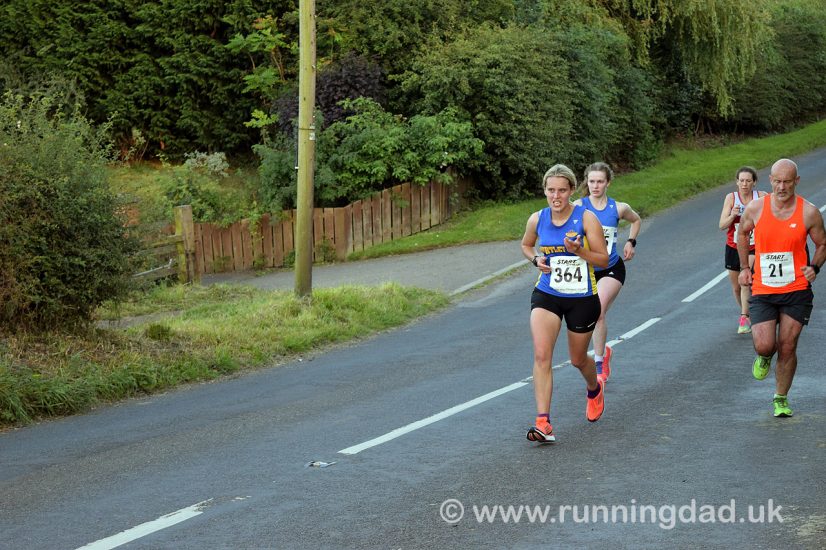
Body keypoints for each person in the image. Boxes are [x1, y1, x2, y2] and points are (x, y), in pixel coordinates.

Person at [522, 164, 610, 443]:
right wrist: (536, 259)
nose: (556, 196)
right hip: (547, 293)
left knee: (576, 359)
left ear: (572, 190)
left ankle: (594, 388)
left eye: (561, 190)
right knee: (541, 354)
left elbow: (603, 260)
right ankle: (543, 422)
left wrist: (579, 250)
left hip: (582, 298)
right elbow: (526, 245)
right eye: (550, 190)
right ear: (545, 191)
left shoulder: (586, 219)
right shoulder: (537, 218)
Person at [737, 158, 826, 417]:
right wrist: (744, 267)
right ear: (770, 181)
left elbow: (822, 244)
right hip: (764, 289)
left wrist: (815, 266)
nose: (781, 187)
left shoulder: (808, 212)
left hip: (796, 288)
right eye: (777, 181)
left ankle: (780, 398)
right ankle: (764, 356)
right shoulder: (755, 208)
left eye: (787, 181)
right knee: (765, 345)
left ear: (796, 181)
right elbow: (742, 233)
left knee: (788, 346)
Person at [574, 162, 641, 383]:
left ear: (608, 183)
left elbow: (636, 219)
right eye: (591, 181)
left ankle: (600, 364)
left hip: (611, 268)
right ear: (587, 182)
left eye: (600, 181)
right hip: (586, 271)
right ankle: (604, 352)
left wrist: (631, 241)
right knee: (590, 317)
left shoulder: (618, 208)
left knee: (598, 312)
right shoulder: (578, 207)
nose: (595, 186)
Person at [719, 166, 767, 334]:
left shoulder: (761, 197)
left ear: (754, 182)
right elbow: (722, 225)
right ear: (737, 182)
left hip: (754, 246)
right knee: (736, 288)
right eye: (741, 181)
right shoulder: (731, 198)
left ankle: (743, 317)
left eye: (748, 181)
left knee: (745, 281)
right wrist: (733, 215)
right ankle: (749, 314)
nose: (744, 184)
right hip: (733, 246)